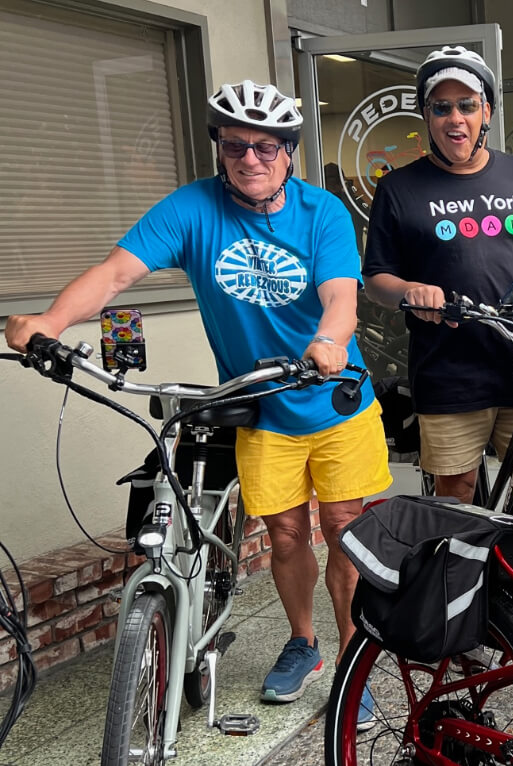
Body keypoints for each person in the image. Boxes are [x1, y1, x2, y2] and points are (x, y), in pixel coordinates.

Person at [4, 81, 391, 718]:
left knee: (343, 531)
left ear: (289, 152)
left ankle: (353, 656)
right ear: (219, 148)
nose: (251, 159)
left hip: (334, 397)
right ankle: (303, 642)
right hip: (260, 403)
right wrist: (49, 321)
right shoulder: (192, 209)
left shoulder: (321, 213)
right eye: (236, 145)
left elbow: (341, 298)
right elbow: (115, 273)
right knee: (288, 535)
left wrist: (328, 340)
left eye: (267, 147)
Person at [363, 46, 513, 504]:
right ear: (427, 116)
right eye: (441, 107)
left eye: (467, 105)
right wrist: (409, 290)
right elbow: (376, 278)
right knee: (455, 496)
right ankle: (463, 575)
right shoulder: (398, 188)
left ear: (486, 110)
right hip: (447, 372)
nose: (455, 118)